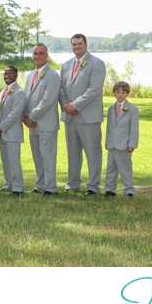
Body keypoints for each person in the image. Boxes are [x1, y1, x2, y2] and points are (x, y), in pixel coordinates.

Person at [58, 34, 107, 195]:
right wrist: (66, 105)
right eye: (74, 44)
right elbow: (61, 89)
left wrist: (75, 105)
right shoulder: (65, 65)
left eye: (80, 43)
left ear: (86, 44)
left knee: (92, 153)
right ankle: (73, 184)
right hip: (70, 116)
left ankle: (93, 186)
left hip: (89, 116)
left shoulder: (97, 64)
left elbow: (94, 90)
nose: (77, 46)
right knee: (73, 153)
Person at [24, 44, 61, 195]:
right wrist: (25, 117)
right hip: (32, 124)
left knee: (47, 157)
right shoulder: (30, 75)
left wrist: (30, 116)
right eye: (35, 53)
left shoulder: (53, 75)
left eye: (41, 53)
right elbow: (26, 98)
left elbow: (48, 100)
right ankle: (40, 185)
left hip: (46, 123)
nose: (38, 56)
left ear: (47, 55)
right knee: (37, 157)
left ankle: (51, 188)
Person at [0, 66, 28, 195]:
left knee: (14, 161)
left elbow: (15, 114)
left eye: (10, 74)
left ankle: (18, 187)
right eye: (5, 74)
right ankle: (8, 183)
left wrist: (1, 126)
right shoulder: (3, 91)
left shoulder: (19, 92)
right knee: (5, 160)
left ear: (16, 76)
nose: (7, 76)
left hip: (12, 132)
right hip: (1, 132)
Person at [105, 81, 139, 197]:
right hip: (112, 143)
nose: (120, 95)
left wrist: (132, 144)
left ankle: (129, 190)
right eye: (117, 92)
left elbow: (134, 128)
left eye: (123, 92)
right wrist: (107, 141)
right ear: (114, 93)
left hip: (124, 143)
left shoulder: (132, 109)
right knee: (111, 167)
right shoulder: (111, 108)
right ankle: (110, 189)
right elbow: (109, 126)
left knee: (125, 168)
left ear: (127, 94)